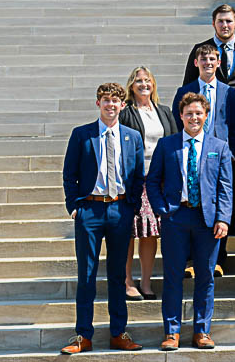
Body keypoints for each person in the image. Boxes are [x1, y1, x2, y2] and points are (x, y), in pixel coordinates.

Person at [60, 83, 145, 354]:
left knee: (118, 275)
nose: (111, 105)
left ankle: (118, 333)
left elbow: (138, 175)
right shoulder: (81, 135)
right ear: (98, 103)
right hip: (90, 210)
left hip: (119, 210)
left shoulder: (132, 136)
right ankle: (83, 335)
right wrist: (74, 206)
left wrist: (130, 207)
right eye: (106, 100)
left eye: (116, 101)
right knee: (86, 274)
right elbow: (69, 173)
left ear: (123, 105)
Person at [147, 92, 233, 351]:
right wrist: (162, 209)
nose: (194, 118)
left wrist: (223, 218)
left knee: (205, 276)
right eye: (189, 113)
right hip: (176, 217)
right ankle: (172, 332)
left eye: (198, 113)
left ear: (206, 116)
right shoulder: (167, 145)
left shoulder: (219, 147)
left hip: (207, 221)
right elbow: (152, 181)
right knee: (173, 276)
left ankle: (201, 331)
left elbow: (225, 187)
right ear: (181, 116)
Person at [119, 67, 177, 302]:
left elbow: (173, 140)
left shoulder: (164, 111)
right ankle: (127, 281)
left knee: (150, 233)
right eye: (138, 81)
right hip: (134, 179)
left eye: (147, 80)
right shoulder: (126, 112)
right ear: (131, 86)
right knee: (129, 232)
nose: (144, 84)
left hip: (158, 180)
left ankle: (145, 281)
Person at [173, 43, 235, 159]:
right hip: (191, 149)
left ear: (218, 63)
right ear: (196, 63)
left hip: (220, 152)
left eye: (212, 59)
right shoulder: (183, 92)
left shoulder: (229, 92)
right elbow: (176, 123)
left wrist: (231, 152)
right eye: (203, 59)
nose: (208, 63)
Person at [182, 4, 235, 90]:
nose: (225, 25)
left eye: (228, 21)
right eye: (220, 21)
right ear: (213, 24)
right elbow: (188, 83)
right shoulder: (199, 49)